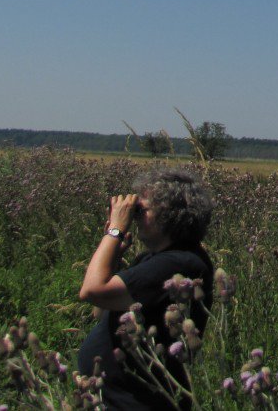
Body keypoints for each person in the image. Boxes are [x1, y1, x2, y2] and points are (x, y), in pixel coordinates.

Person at [78, 168, 215, 410]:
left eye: (142, 210)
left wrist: (115, 231)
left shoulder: (177, 264)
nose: (135, 216)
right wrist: (115, 257)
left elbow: (91, 291)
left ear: (169, 215)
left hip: (138, 402)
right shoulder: (155, 260)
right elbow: (99, 310)